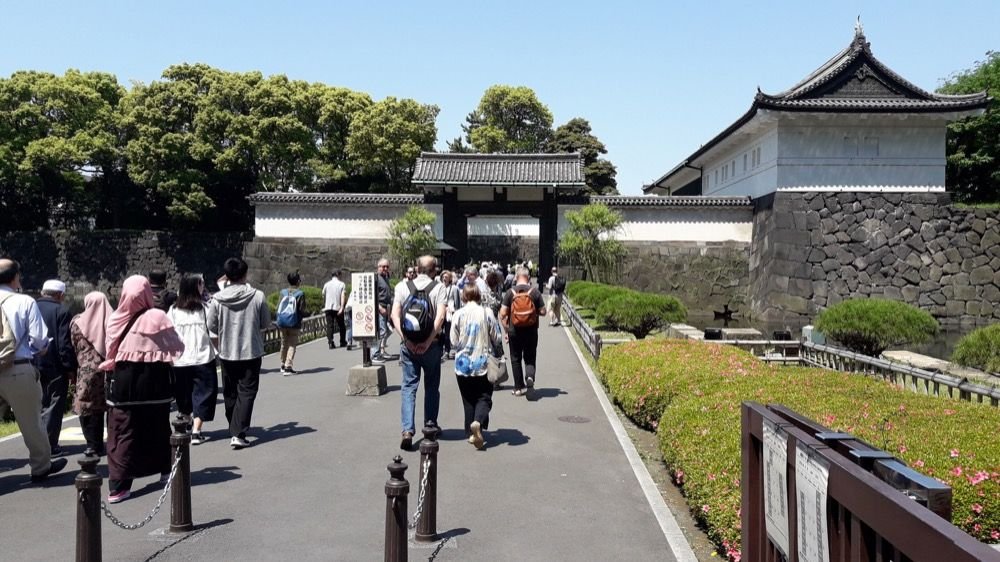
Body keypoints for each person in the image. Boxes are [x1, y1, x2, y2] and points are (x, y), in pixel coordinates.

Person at [99, 275, 184, 503]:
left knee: (122, 432)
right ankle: (166, 470)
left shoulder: (115, 318)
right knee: (158, 428)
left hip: (124, 383)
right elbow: (177, 346)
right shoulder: (157, 316)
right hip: (155, 383)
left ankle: (119, 486)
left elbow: (110, 350)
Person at [0, 259, 67, 482]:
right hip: (17, 368)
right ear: (15, 278)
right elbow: (39, 340)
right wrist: (43, 349)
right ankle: (40, 467)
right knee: (32, 423)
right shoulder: (24, 301)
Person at [208, 257, 271, 449]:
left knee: (230, 391)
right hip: (250, 351)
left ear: (226, 276)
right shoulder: (257, 296)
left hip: (227, 351)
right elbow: (266, 323)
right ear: (245, 274)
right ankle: (238, 432)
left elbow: (211, 325)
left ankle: (234, 425)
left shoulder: (217, 300)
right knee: (248, 391)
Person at [391, 255, 447, 450]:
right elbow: (439, 318)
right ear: (434, 270)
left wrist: (405, 339)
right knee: (431, 385)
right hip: (431, 345)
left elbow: (394, 315)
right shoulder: (438, 288)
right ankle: (430, 424)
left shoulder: (402, 286)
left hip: (409, 345)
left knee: (408, 386)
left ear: (417, 268)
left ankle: (407, 430)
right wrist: (428, 341)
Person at [449, 284, 503, 450]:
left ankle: (470, 433)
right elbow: (497, 336)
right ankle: (477, 423)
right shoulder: (486, 313)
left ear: (464, 297)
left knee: (468, 400)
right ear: (479, 296)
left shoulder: (458, 314)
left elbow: (453, 340)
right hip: (482, 362)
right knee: (484, 397)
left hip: (462, 364)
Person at [168, 275, 218, 445]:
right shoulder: (205, 308)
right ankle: (196, 430)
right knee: (204, 393)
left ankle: (187, 420)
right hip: (203, 357)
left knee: (183, 394)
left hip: (180, 360)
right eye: (200, 284)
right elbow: (213, 332)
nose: (202, 287)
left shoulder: (173, 311)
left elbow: (167, 334)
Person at [35, 279, 77, 455]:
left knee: (39, 404)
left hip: (32, 362)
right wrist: (70, 367)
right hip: (54, 365)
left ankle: (37, 444)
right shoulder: (62, 310)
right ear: (60, 295)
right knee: (54, 404)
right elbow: (64, 344)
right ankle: (50, 445)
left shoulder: (32, 306)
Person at [70, 291, 112, 457]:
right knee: (110, 406)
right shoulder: (113, 320)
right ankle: (113, 442)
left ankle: (93, 445)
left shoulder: (76, 322)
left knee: (87, 406)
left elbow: (73, 345)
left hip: (86, 370)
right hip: (109, 368)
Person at [499, 267, 546, 398]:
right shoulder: (534, 292)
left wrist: (506, 330)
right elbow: (543, 311)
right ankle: (530, 377)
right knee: (530, 356)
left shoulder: (510, 293)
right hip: (531, 331)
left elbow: (503, 314)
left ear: (516, 277)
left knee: (515, 358)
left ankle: (518, 388)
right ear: (528, 277)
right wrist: (533, 312)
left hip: (514, 331)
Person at [276, 272, 306, 375]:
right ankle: (288, 367)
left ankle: (282, 364)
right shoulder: (300, 294)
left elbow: (278, 307)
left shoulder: (282, 292)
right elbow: (301, 310)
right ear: (298, 281)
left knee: (284, 343)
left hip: (282, 322)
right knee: (292, 344)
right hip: (294, 323)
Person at [372, 258, 393, 363]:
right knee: (382, 331)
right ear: (378, 267)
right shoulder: (376, 278)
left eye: (387, 267)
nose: (385, 269)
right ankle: (375, 354)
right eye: (383, 266)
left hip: (387, 308)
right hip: (379, 308)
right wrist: (379, 308)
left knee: (388, 330)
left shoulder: (385, 278)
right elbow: (373, 295)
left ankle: (381, 350)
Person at [322, 270, 347, 349]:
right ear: (338, 275)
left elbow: (323, 295)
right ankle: (342, 341)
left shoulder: (326, 284)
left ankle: (330, 342)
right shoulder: (341, 284)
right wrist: (342, 307)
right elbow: (342, 296)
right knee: (341, 325)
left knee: (330, 326)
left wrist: (325, 304)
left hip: (328, 307)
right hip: (338, 307)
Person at [439, 271, 460, 361]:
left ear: (450, 278)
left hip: (450, 313)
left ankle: (447, 351)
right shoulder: (439, 287)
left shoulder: (454, 288)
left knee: (448, 332)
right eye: (443, 277)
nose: (445, 278)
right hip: (440, 312)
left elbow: (457, 302)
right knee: (439, 332)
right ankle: (440, 350)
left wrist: (457, 313)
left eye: (446, 277)